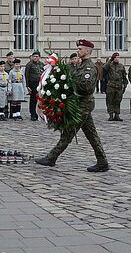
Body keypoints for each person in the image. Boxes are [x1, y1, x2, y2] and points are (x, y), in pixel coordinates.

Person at [35, 39, 109, 172]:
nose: (78, 51)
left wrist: (70, 83)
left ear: (88, 51)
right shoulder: (80, 66)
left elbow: (87, 88)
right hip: (80, 104)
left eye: (80, 49)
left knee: (68, 133)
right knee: (92, 134)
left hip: (83, 105)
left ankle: (51, 157)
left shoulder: (89, 67)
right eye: (78, 48)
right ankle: (102, 161)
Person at [105, 52, 128, 121]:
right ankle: (111, 115)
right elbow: (104, 68)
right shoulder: (110, 65)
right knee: (110, 101)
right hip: (111, 85)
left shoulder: (121, 66)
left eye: (118, 57)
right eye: (115, 57)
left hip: (119, 86)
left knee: (118, 101)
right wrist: (110, 60)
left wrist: (125, 86)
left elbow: (124, 77)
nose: (117, 59)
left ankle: (117, 115)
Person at [24, 51, 44, 120]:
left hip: (40, 84)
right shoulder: (30, 64)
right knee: (33, 99)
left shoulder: (41, 64)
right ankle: (33, 114)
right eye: (34, 56)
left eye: (36, 56)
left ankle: (39, 113)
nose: (35, 58)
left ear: (39, 57)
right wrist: (27, 86)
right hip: (32, 84)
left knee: (40, 99)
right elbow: (26, 75)